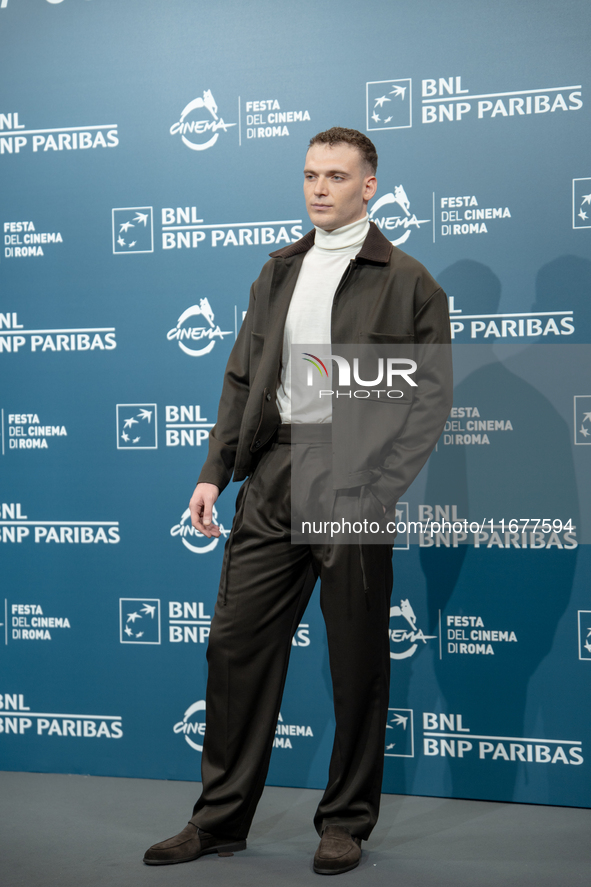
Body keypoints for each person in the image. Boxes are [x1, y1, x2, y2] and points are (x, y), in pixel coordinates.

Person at [144, 127, 452, 874]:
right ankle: (218, 819)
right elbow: (243, 379)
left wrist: (374, 490)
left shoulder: (408, 279)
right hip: (274, 477)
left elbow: (429, 400)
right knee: (235, 646)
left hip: (350, 483)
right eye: (311, 174)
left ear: (368, 186)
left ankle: (344, 821)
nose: (320, 187)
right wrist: (214, 471)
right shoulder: (276, 270)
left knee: (354, 659)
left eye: (337, 176)